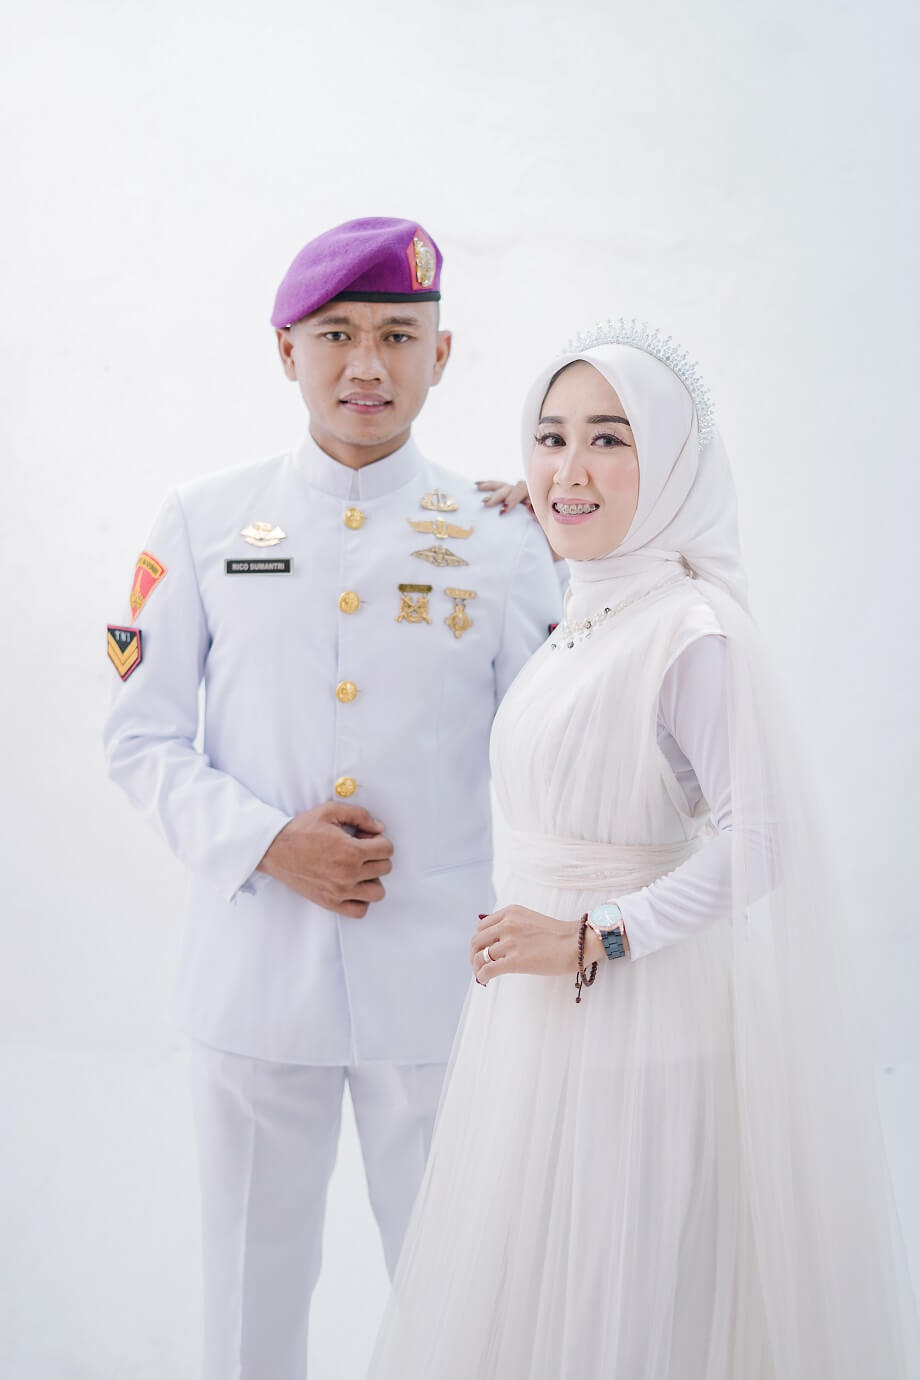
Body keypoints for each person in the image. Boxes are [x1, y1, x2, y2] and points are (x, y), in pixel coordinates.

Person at [365, 322, 918, 1379]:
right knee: (534, 1304)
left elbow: (764, 839)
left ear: (667, 465)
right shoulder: (590, 613)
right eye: (550, 438)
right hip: (536, 1026)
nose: (569, 469)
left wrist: (595, 934)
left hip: (643, 1025)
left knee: (624, 1314)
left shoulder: (689, 629)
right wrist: (539, 508)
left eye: (610, 440)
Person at [101, 216, 561, 1380]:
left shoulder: (501, 537)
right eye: (337, 334)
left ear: (440, 355)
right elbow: (141, 737)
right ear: (284, 350)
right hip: (255, 977)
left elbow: (555, 745)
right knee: (248, 1303)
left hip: (441, 984)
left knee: (461, 1304)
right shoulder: (203, 520)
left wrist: (583, 538)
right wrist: (268, 844)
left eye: (398, 336)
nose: (366, 364)